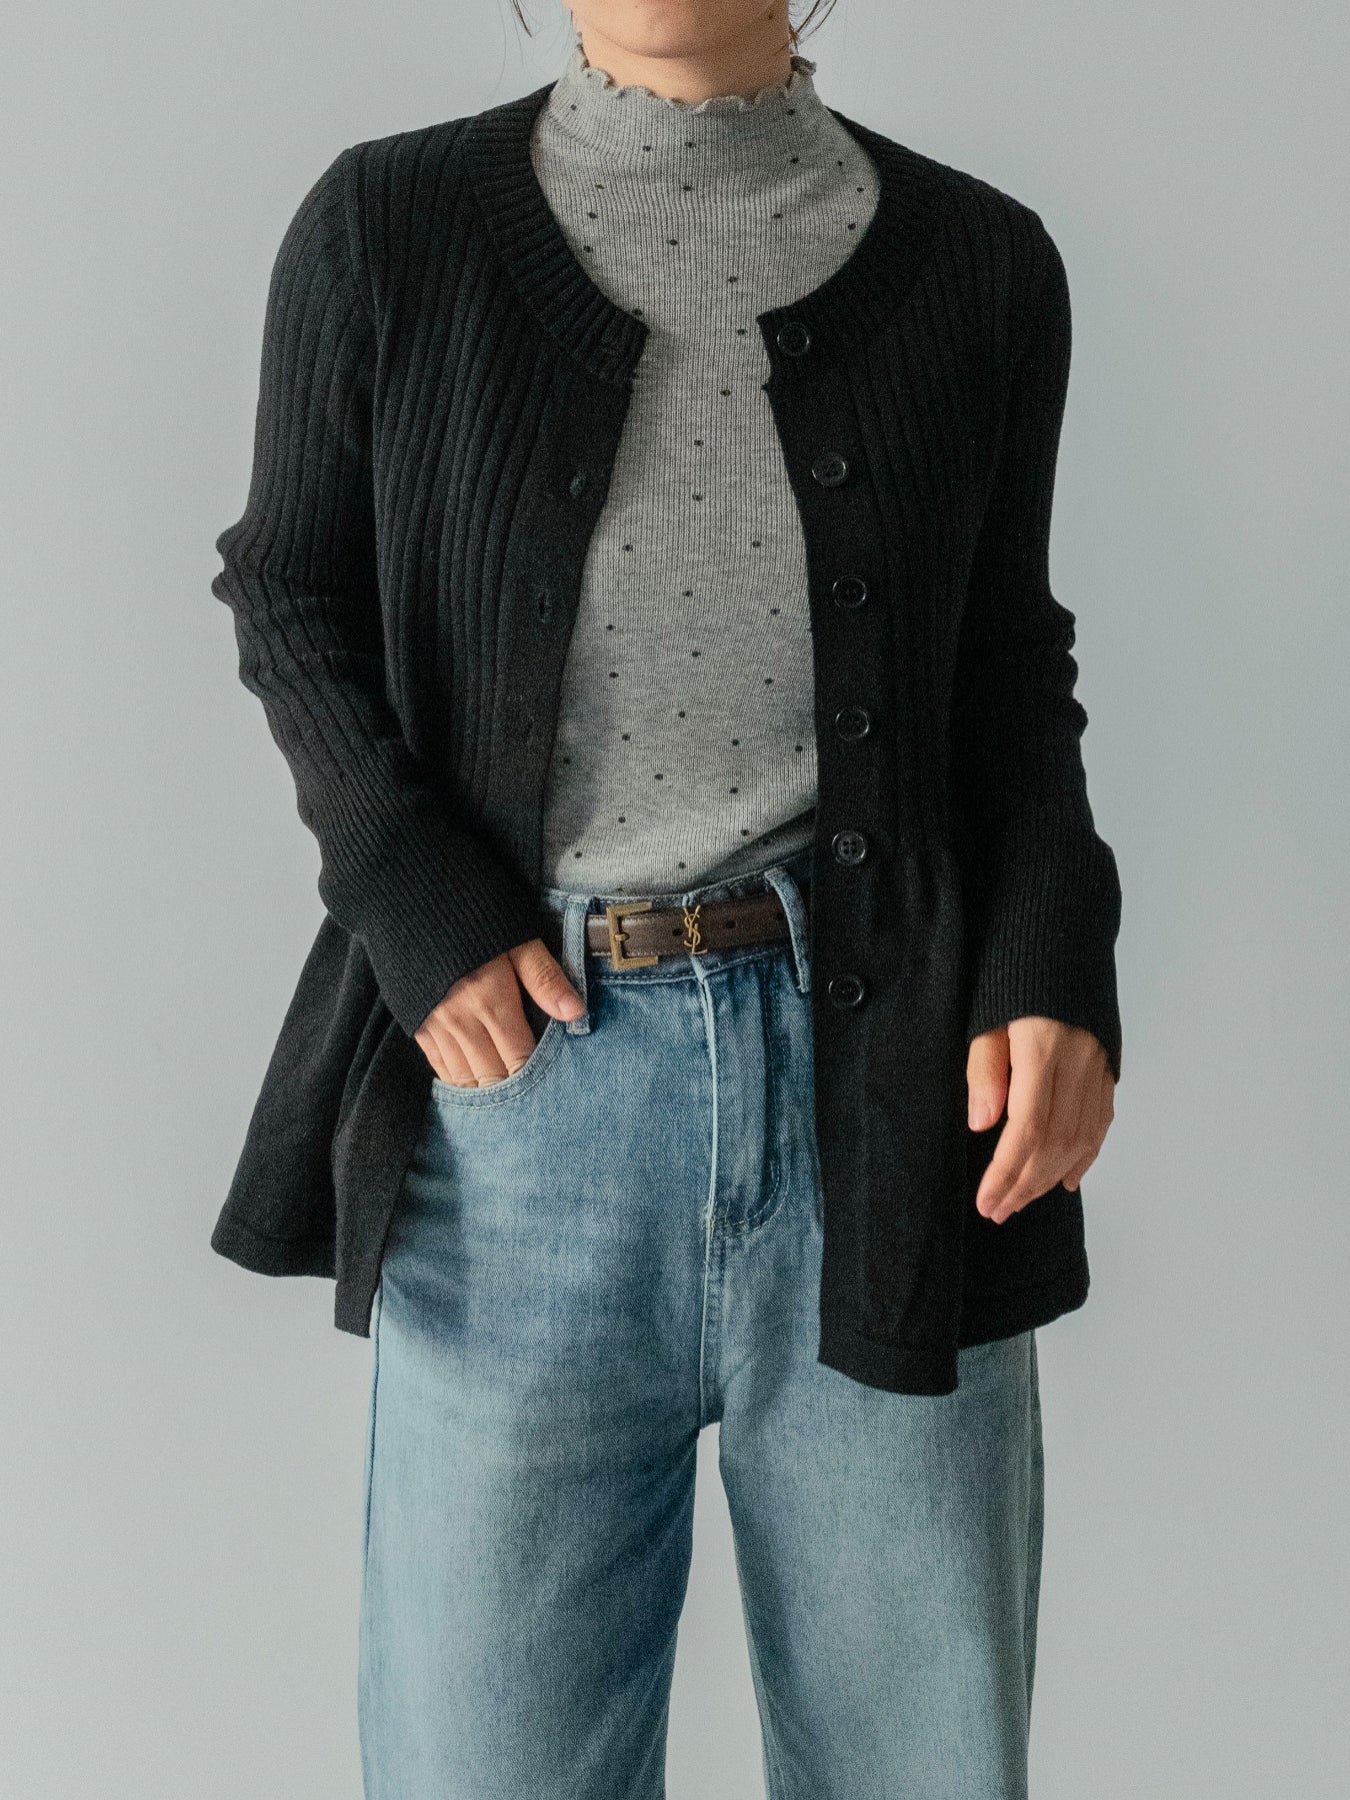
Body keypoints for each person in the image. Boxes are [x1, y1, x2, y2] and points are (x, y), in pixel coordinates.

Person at [208, 2, 1122, 1793]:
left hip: (892, 1111)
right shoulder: (386, 226)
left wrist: (1053, 962)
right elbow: (288, 587)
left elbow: (1005, 670)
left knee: (918, 1763)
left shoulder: (981, 263)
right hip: (521, 1115)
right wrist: (413, 896)